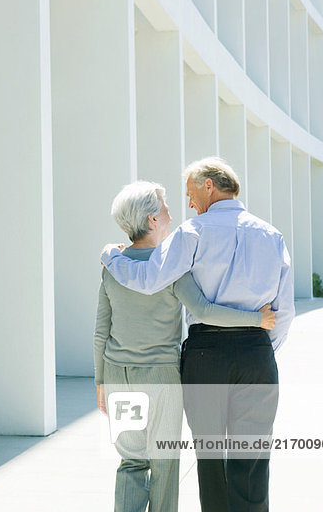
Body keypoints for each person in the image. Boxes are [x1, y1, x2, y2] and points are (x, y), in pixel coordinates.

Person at [100, 158, 295, 512]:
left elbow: (148, 280)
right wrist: (259, 349)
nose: (189, 205)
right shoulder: (272, 234)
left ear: (209, 186)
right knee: (251, 458)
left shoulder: (192, 233)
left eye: (190, 194)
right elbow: (284, 312)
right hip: (256, 353)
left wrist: (112, 258)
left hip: (205, 356)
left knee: (209, 457)